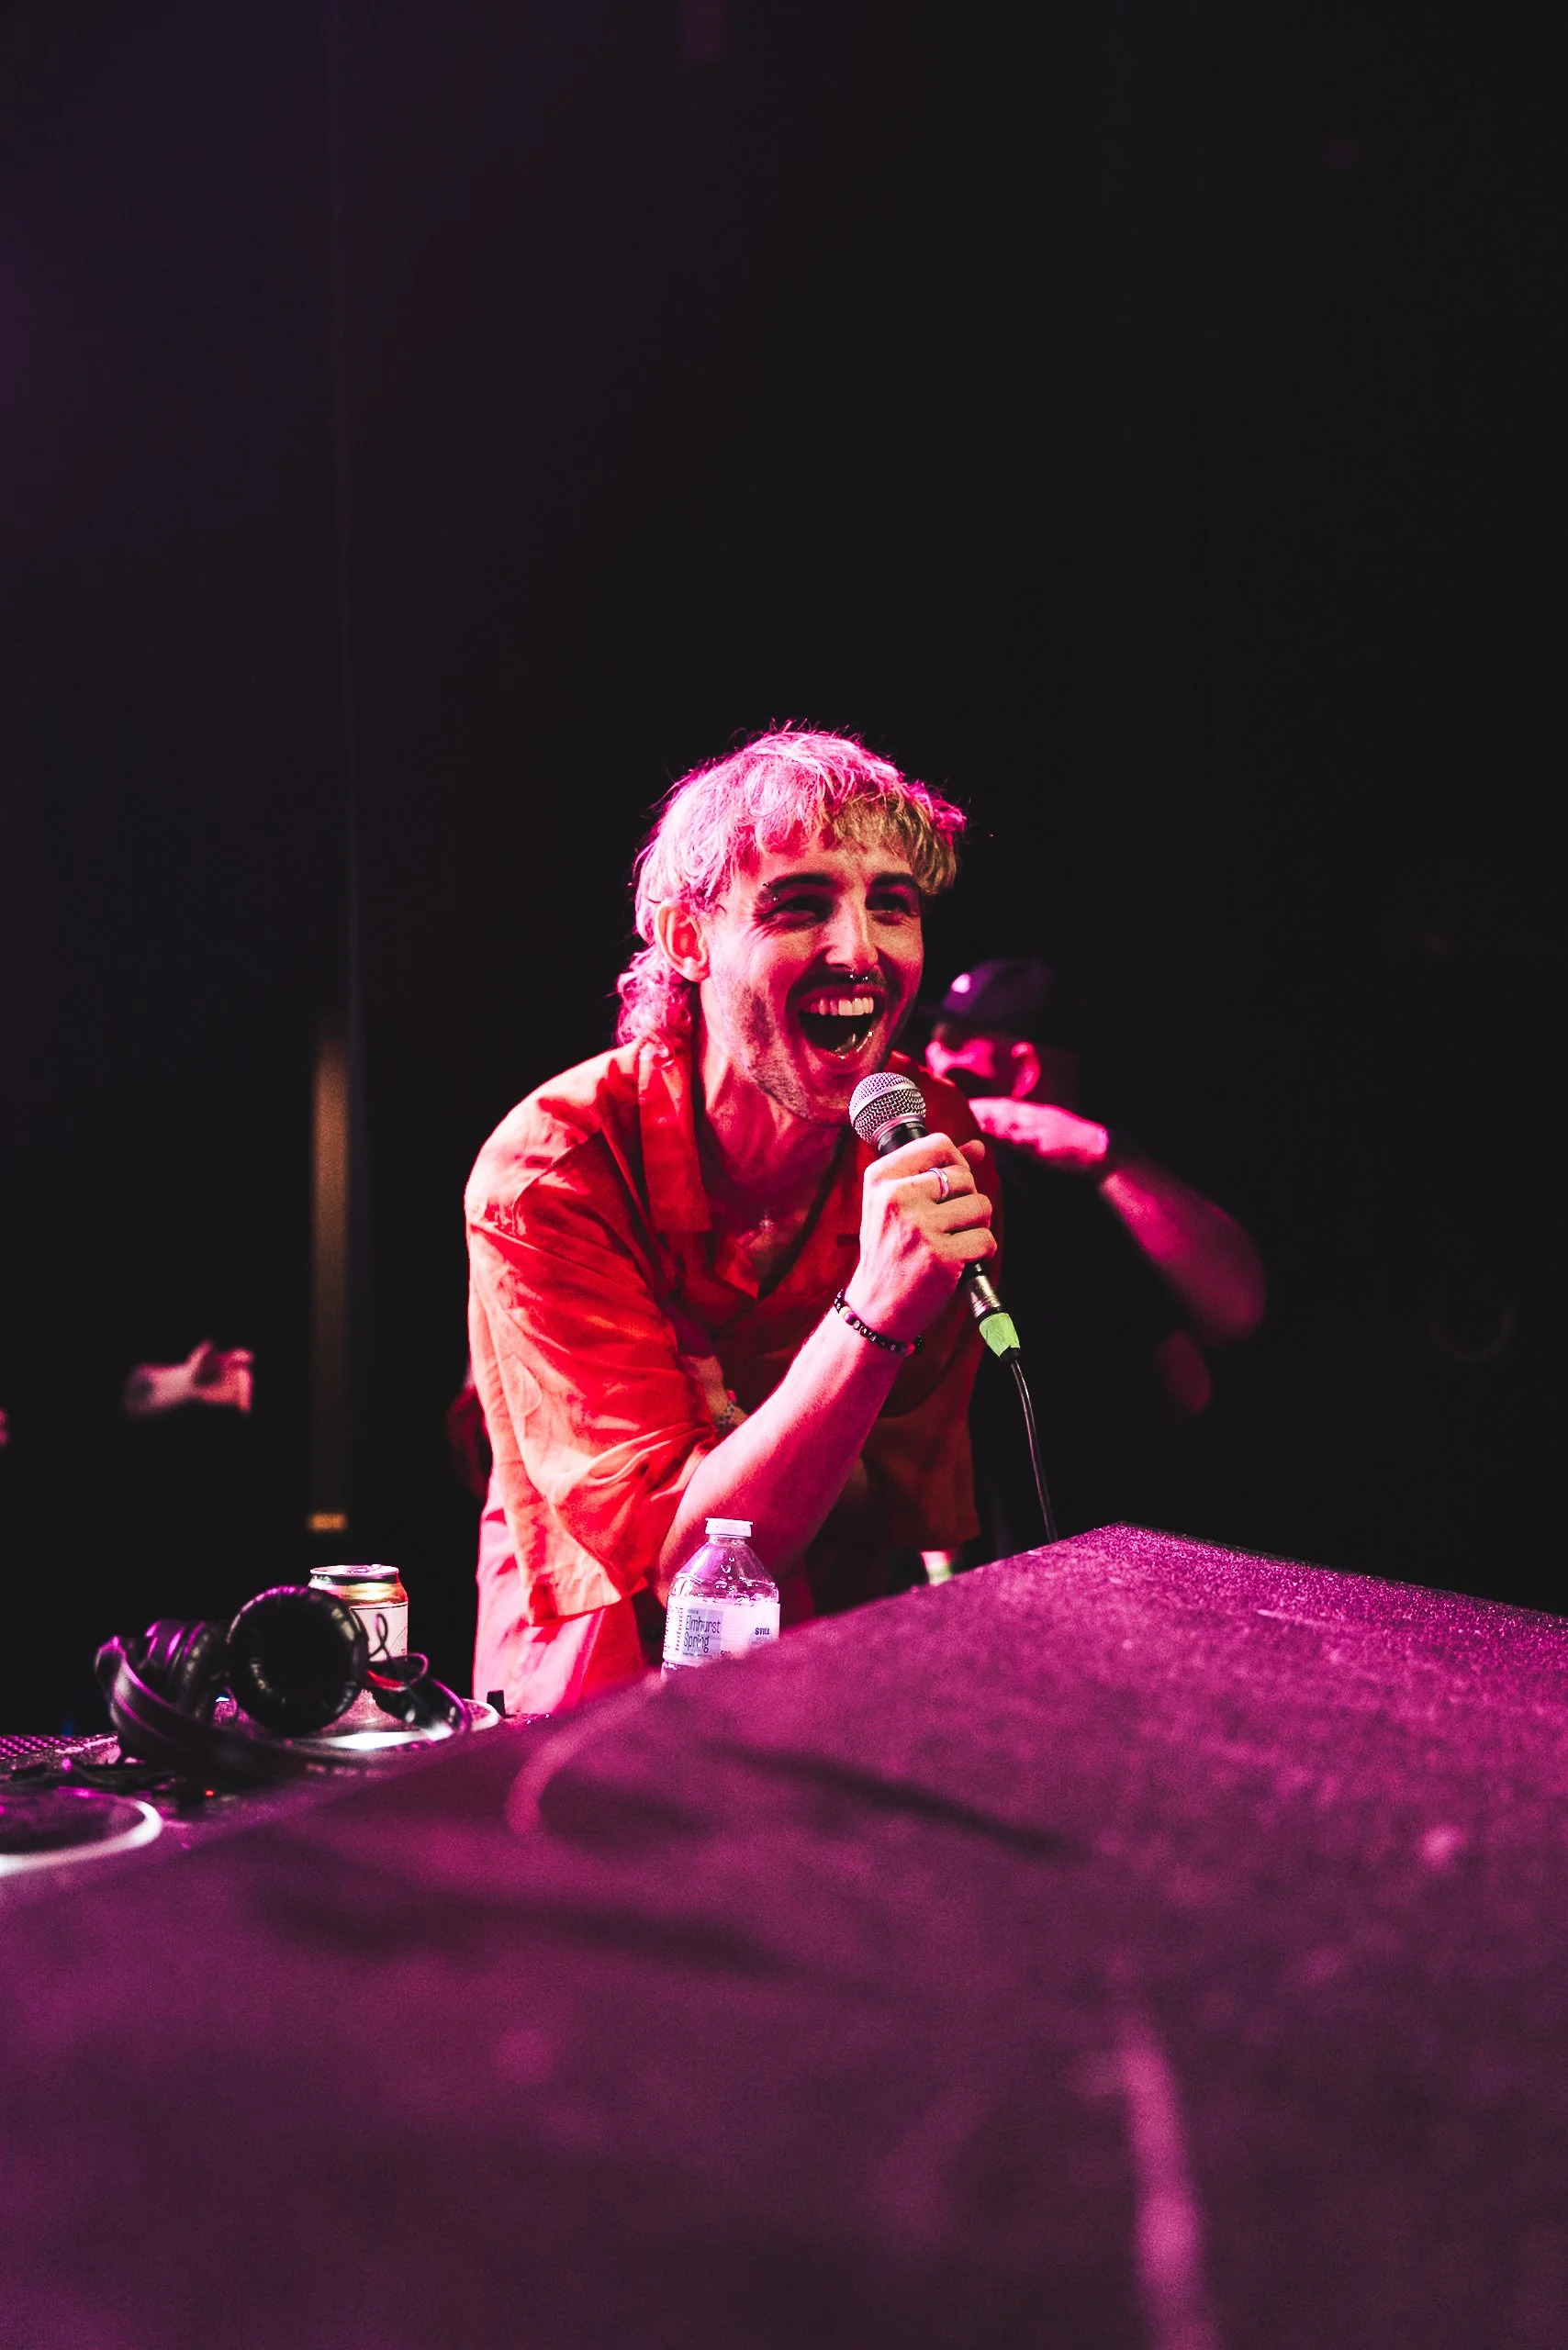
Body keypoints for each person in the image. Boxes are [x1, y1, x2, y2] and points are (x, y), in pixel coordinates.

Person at [465, 731, 1001, 1717]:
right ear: (685, 939)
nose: (860, 949)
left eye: (892, 904)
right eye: (801, 906)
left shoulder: (928, 1135)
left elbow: (913, 1493)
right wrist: (868, 1321)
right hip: (595, 1693)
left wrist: (734, 1439)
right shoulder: (552, 1167)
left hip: (829, 1673)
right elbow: (686, 1564)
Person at [924, 957, 1265, 1543]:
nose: (930, 1062)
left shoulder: (1029, 1181)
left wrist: (1101, 1152)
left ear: (1022, 1068)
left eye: (955, 1045)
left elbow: (1220, 1329)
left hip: (1069, 1545)